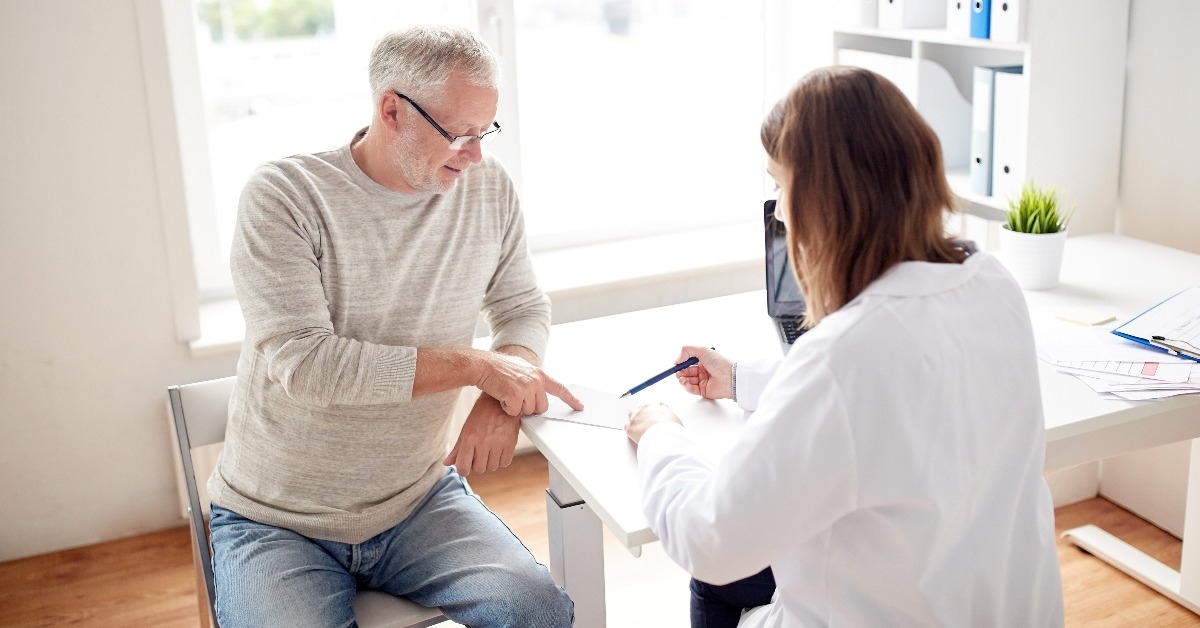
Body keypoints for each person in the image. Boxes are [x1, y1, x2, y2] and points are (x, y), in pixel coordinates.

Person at [624, 65, 1065, 627]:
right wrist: (739, 379)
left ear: (825, 202)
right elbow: (892, 397)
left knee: (717, 580)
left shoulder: (843, 357)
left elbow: (708, 540)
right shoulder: (993, 284)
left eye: (781, 186)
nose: (779, 212)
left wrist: (661, 434)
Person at [206, 25, 580, 627]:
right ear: (391, 110)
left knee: (539, 614)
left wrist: (500, 393)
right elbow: (308, 366)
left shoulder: (487, 188)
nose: (475, 155)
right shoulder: (285, 196)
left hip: (417, 500)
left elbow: (522, 308)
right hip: (275, 521)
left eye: (485, 132)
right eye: (459, 134)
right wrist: (481, 368)